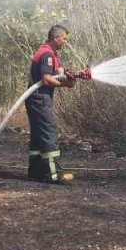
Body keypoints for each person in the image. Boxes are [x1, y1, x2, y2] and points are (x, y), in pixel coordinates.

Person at [26, 24, 77, 184]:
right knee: (48, 134)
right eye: (64, 39)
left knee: (38, 136)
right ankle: (54, 175)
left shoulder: (49, 53)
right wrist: (66, 84)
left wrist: (66, 74)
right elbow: (46, 79)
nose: (65, 42)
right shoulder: (47, 54)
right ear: (56, 38)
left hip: (35, 98)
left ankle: (36, 172)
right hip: (40, 98)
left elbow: (56, 71)